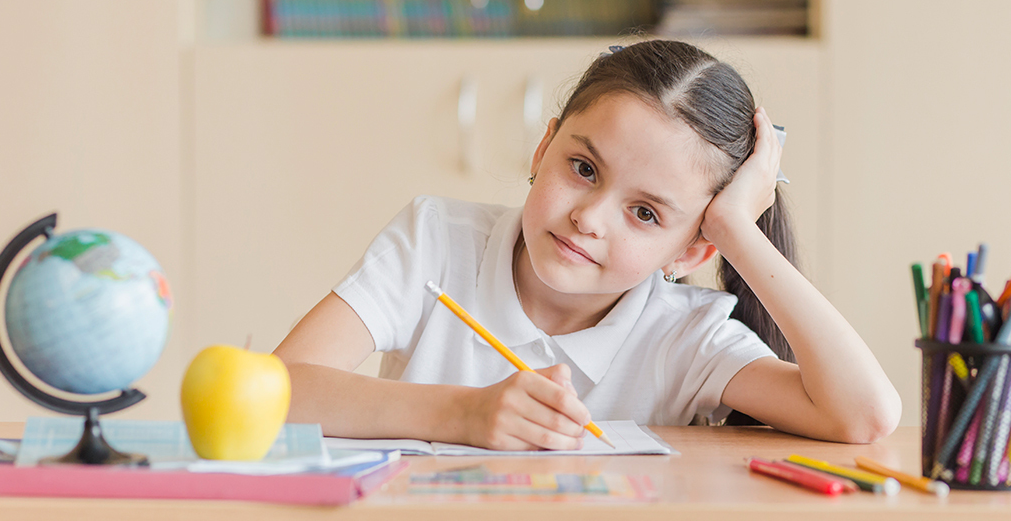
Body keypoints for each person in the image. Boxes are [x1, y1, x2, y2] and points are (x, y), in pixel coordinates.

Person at [273, 39, 901, 450]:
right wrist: (461, 416)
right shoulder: (436, 241)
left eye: (646, 213)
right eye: (583, 169)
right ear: (543, 149)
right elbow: (277, 392)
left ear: (693, 249)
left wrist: (738, 231)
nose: (590, 218)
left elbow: (865, 416)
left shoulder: (684, 337)